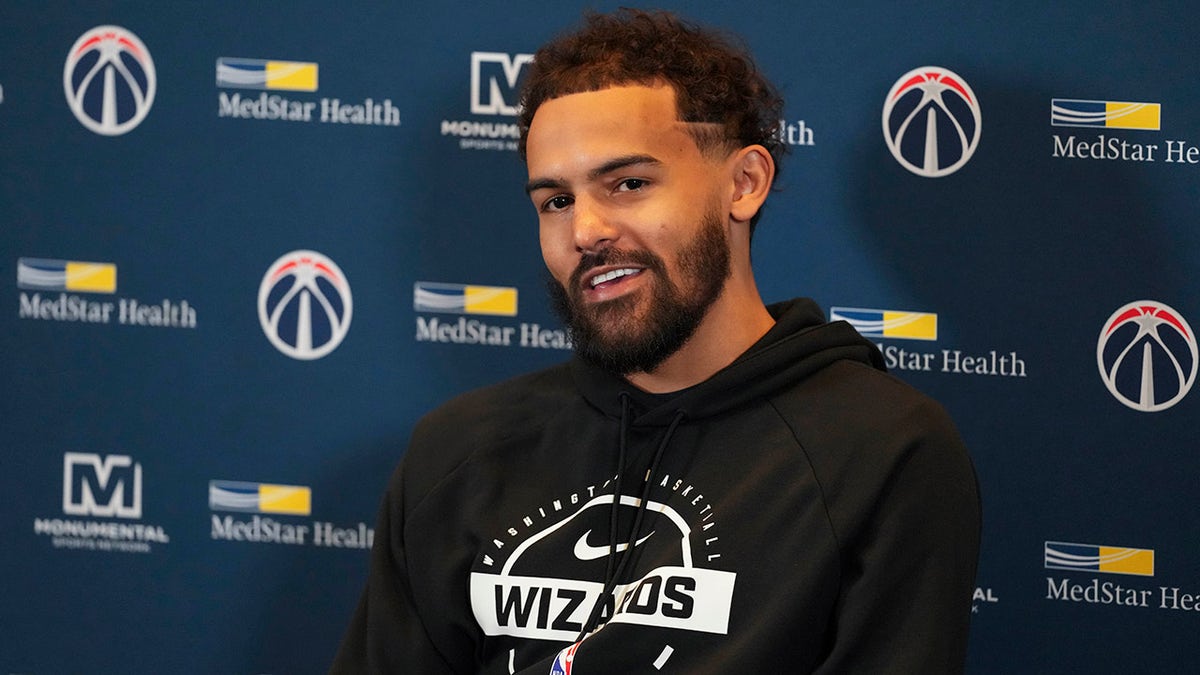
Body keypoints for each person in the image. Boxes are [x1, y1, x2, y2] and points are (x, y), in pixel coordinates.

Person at [332, 9, 980, 674]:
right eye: (555, 200)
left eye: (629, 183)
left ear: (743, 183)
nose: (586, 229)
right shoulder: (457, 452)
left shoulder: (882, 449)